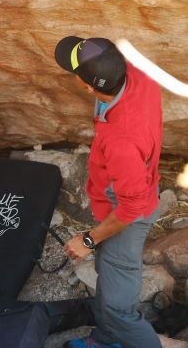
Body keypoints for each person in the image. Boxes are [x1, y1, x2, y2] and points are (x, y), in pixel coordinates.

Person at [54, 37, 162, 348]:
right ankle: (105, 339)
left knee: (118, 305)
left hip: (126, 212)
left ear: (88, 86)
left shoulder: (122, 141)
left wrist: (88, 239)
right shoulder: (135, 76)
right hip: (124, 192)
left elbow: (130, 208)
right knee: (107, 269)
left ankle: (130, 339)